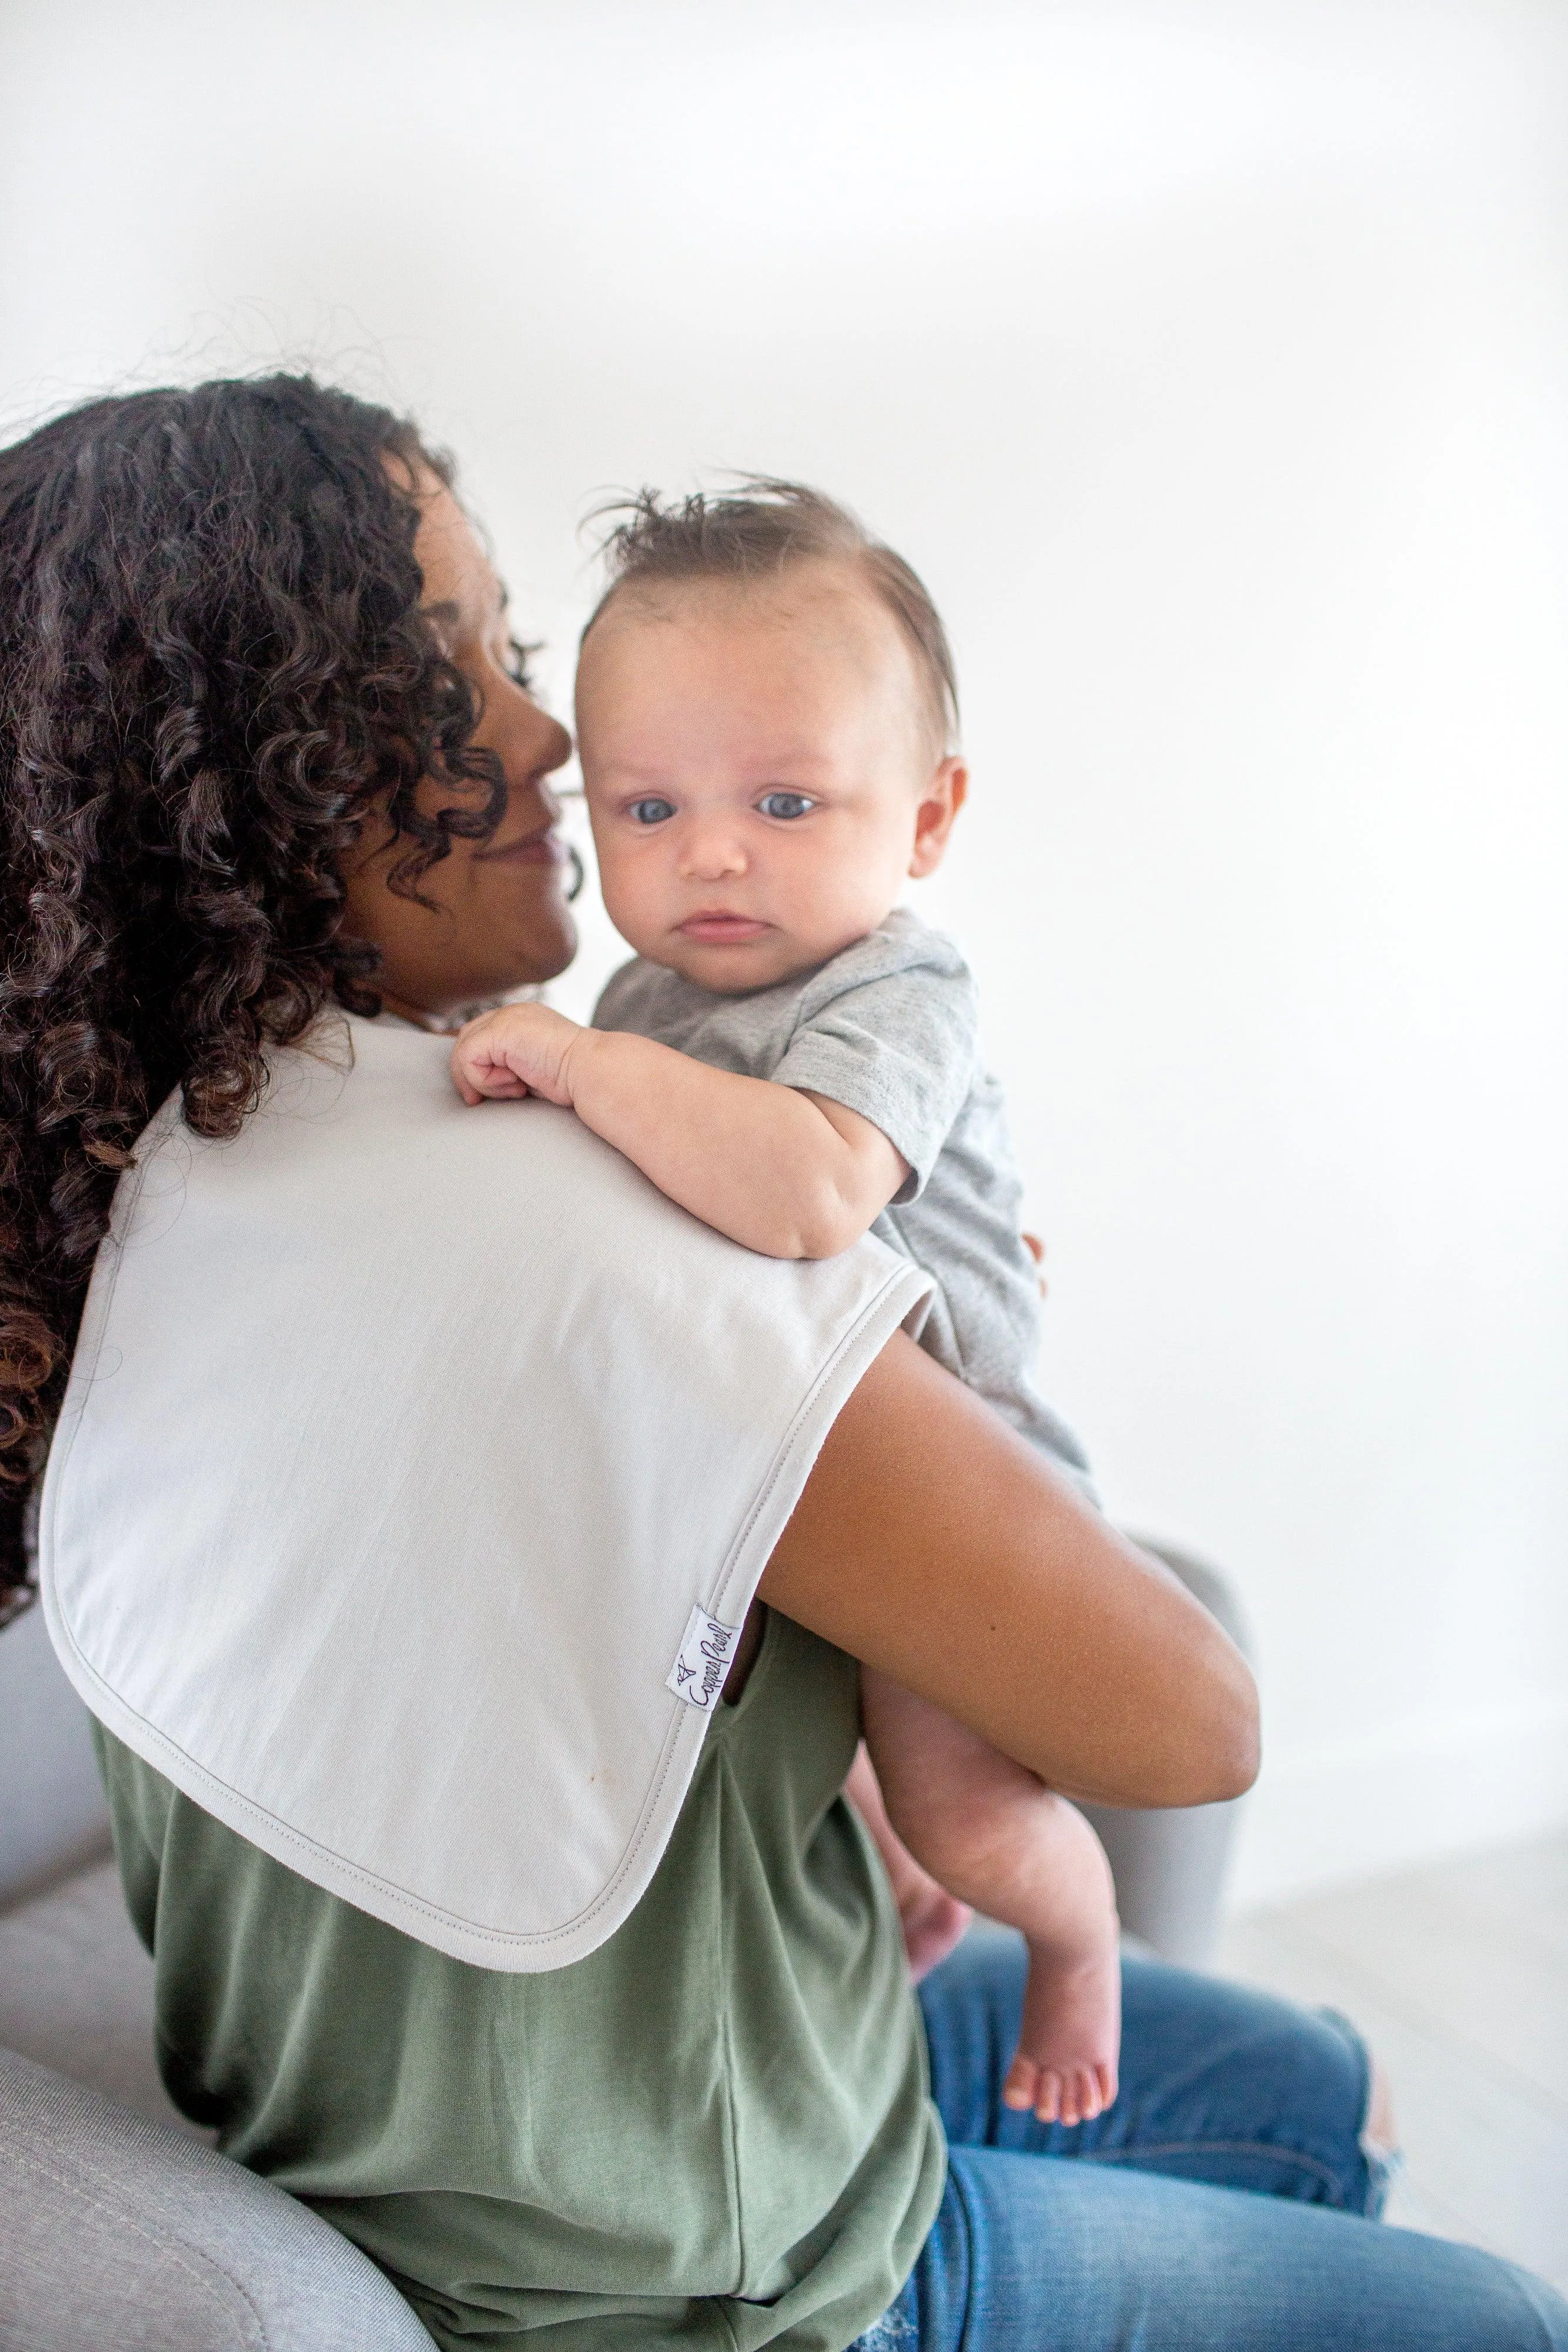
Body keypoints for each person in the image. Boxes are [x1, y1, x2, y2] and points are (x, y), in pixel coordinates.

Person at [2, 376, 1563, 2352]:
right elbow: (1191, 1724)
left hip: (593, 2097)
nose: (558, 735)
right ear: (285, 758)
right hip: (720, 2265)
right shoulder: (566, 1220)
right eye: (472, 662)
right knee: (1494, 2310)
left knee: (1322, 2089)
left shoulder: (163, 1180)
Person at [450, 482, 1119, 2128]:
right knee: (770, 1751)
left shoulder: (897, 984)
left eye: (788, 800)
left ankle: (1082, 1941)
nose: (715, 855)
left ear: (929, 818)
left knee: (969, 1813)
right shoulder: (643, 993)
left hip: (962, 1476)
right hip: (795, 1469)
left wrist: (580, 1069)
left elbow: (814, 1186)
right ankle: (886, 1866)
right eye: (649, 808)